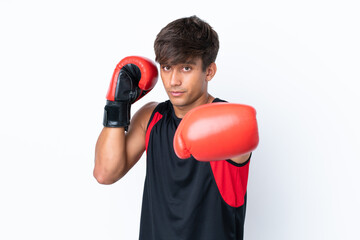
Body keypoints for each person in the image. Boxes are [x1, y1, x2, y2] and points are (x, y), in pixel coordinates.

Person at [94, 15, 259, 240]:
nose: (173, 81)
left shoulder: (228, 122)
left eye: (186, 68)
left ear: (209, 71)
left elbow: (246, 130)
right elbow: (105, 174)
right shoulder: (151, 117)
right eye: (167, 67)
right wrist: (117, 104)